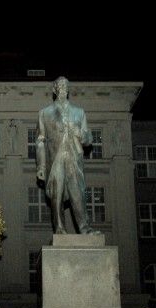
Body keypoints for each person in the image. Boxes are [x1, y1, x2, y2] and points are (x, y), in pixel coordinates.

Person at [36, 76, 98, 235]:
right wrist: (41, 166)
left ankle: (85, 228)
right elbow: (40, 141)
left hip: (73, 157)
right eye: (59, 85)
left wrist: (82, 135)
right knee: (56, 196)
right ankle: (59, 228)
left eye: (65, 85)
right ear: (54, 89)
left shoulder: (79, 112)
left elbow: (88, 138)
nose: (62, 87)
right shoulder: (44, 113)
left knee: (78, 193)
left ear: (68, 89)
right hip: (55, 158)